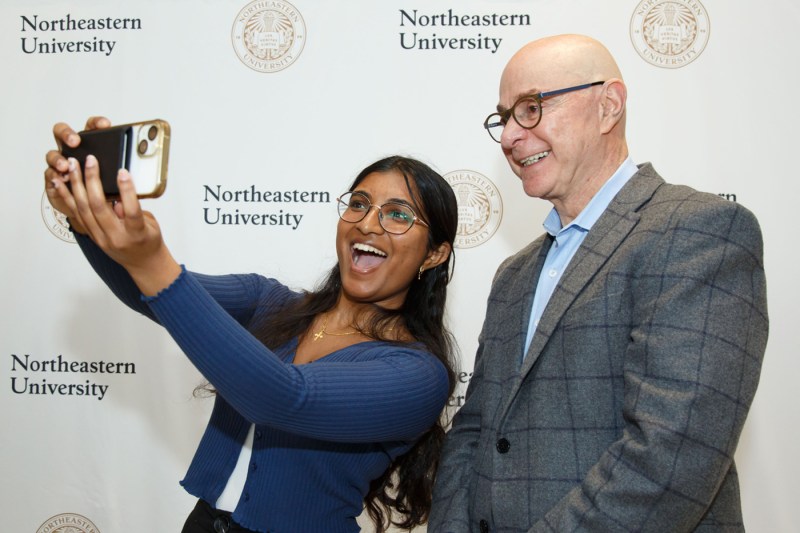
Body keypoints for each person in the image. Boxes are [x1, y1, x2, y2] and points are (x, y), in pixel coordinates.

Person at [44, 117, 459, 533]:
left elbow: (282, 398)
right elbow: (149, 295)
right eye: (358, 204)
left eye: (398, 215)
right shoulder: (270, 301)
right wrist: (84, 220)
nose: (367, 224)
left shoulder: (417, 374)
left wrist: (154, 262)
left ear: (434, 255)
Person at [429, 34, 768, 532]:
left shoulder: (699, 231)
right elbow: (474, 433)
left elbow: (671, 457)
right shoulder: (515, 274)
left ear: (608, 105)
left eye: (531, 107)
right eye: (504, 117)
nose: (508, 136)